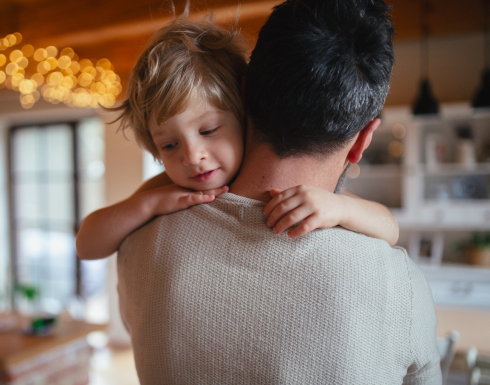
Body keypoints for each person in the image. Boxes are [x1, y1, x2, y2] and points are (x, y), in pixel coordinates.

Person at [113, 0, 443, 385]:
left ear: (245, 92)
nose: (192, 156)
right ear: (362, 141)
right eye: (169, 144)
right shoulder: (399, 286)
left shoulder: (138, 242)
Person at [76, 16, 399, 262]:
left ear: (246, 112)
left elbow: (389, 228)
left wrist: (341, 208)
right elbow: (87, 246)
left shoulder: (297, 183)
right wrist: (148, 204)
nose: (192, 156)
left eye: (208, 131)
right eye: (169, 145)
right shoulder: (164, 189)